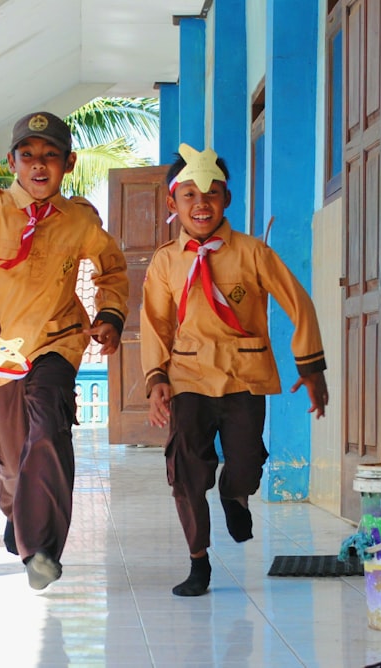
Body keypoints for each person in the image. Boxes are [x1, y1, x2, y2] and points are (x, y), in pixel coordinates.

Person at [0, 111, 129, 591]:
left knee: (49, 428)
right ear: (12, 162)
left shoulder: (80, 219)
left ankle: (42, 549)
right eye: (28, 156)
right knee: (15, 454)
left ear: (69, 163)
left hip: (57, 340)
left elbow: (112, 270)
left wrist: (109, 315)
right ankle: (19, 518)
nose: (39, 166)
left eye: (50, 157)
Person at [141, 143, 329, 597]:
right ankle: (198, 561)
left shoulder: (252, 252)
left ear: (227, 199)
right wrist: (156, 378)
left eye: (212, 192)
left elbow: (297, 302)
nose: (200, 203)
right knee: (186, 470)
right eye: (189, 194)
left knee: (245, 463)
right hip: (188, 378)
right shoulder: (166, 261)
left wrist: (311, 365)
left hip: (244, 376)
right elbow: (155, 321)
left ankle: (234, 493)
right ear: (173, 202)